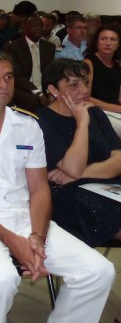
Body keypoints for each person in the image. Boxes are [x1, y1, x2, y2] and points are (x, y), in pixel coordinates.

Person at [0, 49, 115, 323]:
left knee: (98, 271)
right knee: (1, 278)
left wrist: (37, 237)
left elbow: (39, 189)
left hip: (24, 217)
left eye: (8, 77)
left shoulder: (28, 125)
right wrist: (13, 242)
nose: (3, 84)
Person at [37, 58, 121, 247]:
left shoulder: (95, 113)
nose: (84, 90)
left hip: (104, 183)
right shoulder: (43, 121)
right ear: (53, 90)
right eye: (74, 85)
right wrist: (82, 123)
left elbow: (119, 159)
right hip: (70, 193)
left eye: (86, 82)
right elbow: (73, 167)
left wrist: (81, 173)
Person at [5, 15, 55, 112]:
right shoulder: (14, 47)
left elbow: (50, 73)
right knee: (33, 101)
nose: (38, 28)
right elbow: (17, 75)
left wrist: (50, 91)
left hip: (44, 87)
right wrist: (38, 92)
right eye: (34, 26)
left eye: (40, 26)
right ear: (24, 29)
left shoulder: (49, 47)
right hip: (24, 87)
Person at [82, 25, 121, 111]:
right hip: (96, 110)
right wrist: (117, 108)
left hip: (115, 111)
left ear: (118, 45)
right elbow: (85, 97)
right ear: (97, 43)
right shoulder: (88, 64)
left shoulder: (118, 65)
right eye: (103, 39)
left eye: (113, 39)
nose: (108, 43)